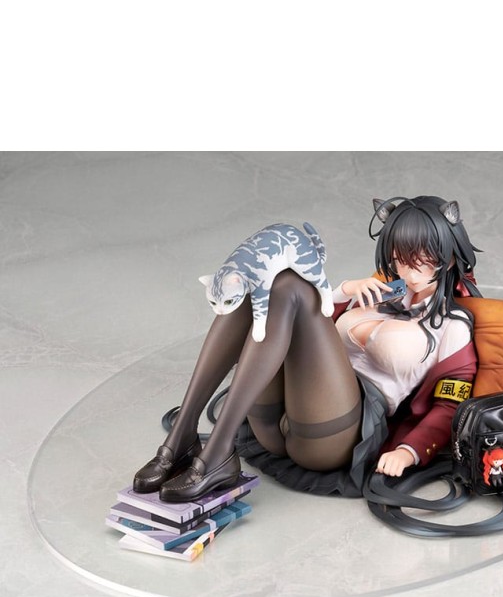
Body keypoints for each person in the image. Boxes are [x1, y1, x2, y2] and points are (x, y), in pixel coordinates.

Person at [133, 195, 480, 502]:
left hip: (337, 435)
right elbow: (308, 320)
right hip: (278, 419)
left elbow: (450, 405)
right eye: (400, 257)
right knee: (258, 282)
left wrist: (410, 451)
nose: (408, 270)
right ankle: (182, 438)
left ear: (448, 259)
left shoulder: (452, 326)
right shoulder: (377, 292)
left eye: (422, 260)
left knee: (290, 287)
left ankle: (216, 453)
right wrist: (347, 289)